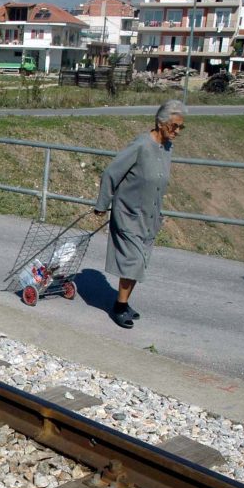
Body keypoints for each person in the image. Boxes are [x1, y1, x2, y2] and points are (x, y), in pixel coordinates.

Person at [93, 99, 186, 329]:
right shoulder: (142, 145)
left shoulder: (166, 147)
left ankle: (123, 303)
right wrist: (102, 204)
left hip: (149, 215)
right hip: (128, 212)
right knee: (133, 260)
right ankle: (118, 307)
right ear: (161, 122)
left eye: (181, 127)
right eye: (174, 126)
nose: (177, 131)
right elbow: (111, 173)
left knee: (141, 260)